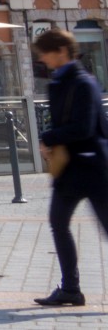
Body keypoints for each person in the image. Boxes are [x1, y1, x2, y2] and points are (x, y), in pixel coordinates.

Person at [34, 28, 108, 307]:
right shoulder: (61, 82)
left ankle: (70, 288)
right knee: (58, 224)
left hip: (93, 168)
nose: (42, 58)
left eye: (45, 52)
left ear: (61, 52)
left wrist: (49, 138)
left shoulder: (83, 83)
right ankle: (70, 289)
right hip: (71, 169)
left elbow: (84, 127)